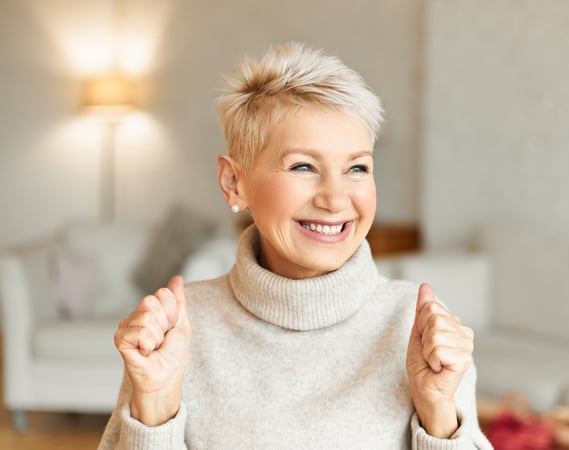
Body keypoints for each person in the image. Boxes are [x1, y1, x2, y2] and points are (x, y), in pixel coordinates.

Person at [98, 42, 492, 449]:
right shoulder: (176, 332)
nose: (336, 199)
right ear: (234, 182)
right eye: (303, 166)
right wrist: (155, 407)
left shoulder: (418, 327)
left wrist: (438, 411)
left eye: (357, 168)